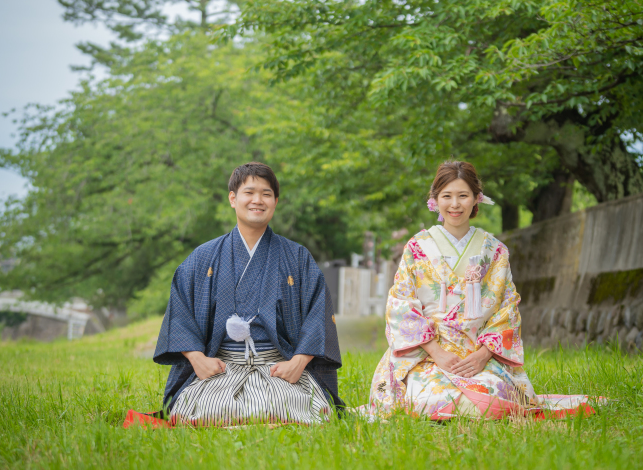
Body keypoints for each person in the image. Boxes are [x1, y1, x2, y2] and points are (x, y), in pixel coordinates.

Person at [360, 161, 594, 420]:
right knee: (427, 398)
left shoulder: (494, 251)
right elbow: (401, 305)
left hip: (477, 354)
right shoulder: (417, 248)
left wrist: (483, 355)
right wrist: (437, 353)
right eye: (446, 196)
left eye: (463, 195)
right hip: (427, 354)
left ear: (476, 199)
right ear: (435, 201)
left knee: (494, 395)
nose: (455, 204)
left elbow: (506, 308)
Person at [124, 162, 341, 428]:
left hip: (278, 367)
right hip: (221, 366)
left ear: (275, 201)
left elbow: (318, 313)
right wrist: (197, 359)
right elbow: (180, 312)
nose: (257, 200)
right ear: (232, 198)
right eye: (249, 192)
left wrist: (298, 362)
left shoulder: (296, 256)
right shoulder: (203, 257)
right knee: (207, 409)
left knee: (294, 407)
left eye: (266, 194)